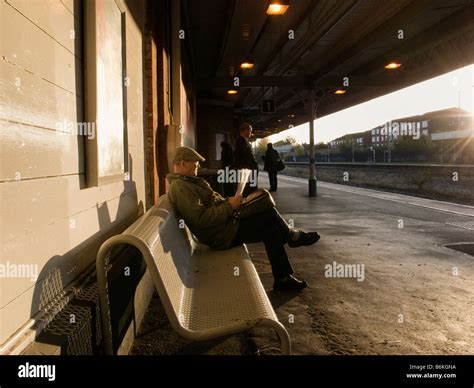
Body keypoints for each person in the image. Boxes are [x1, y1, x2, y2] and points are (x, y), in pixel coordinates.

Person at [167, 146, 321, 291]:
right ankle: (291, 242)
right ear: (182, 163)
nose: (198, 167)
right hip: (220, 235)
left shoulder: (188, 182)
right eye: (195, 164)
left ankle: (284, 275)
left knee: (267, 216)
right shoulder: (180, 187)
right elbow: (201, 219)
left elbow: (211, 205)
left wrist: (231, 201)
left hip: (223, 226)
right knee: (268, 220)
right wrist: (229, 207)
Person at [234, 123, 258, 196]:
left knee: (248, 189)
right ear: (245, 131)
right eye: (250, 131)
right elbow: (246, 155)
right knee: (248, 190)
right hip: (247, 168)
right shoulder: (241, 142)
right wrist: (254, 165)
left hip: (247, 168)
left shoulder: (242, 141)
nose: (250, 133)